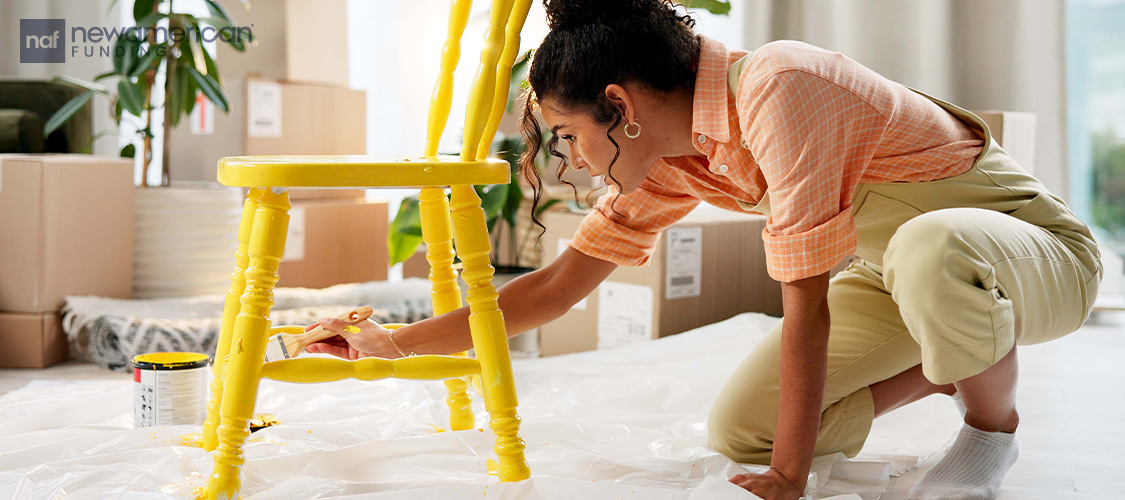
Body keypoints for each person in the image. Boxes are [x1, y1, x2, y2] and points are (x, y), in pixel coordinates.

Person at [305, 1, 1103, 499]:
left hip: (1028, 255)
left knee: (931, 248)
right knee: (743, 430)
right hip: (893, 275)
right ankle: (949, 363)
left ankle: (987, 428)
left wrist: (791, 482)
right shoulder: (677, 158)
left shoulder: (782, 85)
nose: (574, 159)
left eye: (572, 135)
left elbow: (805, 307)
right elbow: (549, 291)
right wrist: (392, 344)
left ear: (617, 106)